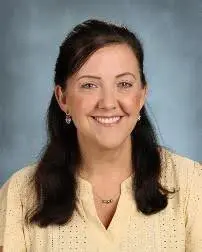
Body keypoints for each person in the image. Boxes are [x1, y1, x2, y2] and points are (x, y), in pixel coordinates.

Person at [0, 19, 202, 252]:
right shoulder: (20, 194)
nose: (108, 103)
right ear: (63, 98)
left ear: (142, 95)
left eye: (124, 84)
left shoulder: (192, 185)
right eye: (89, 85)